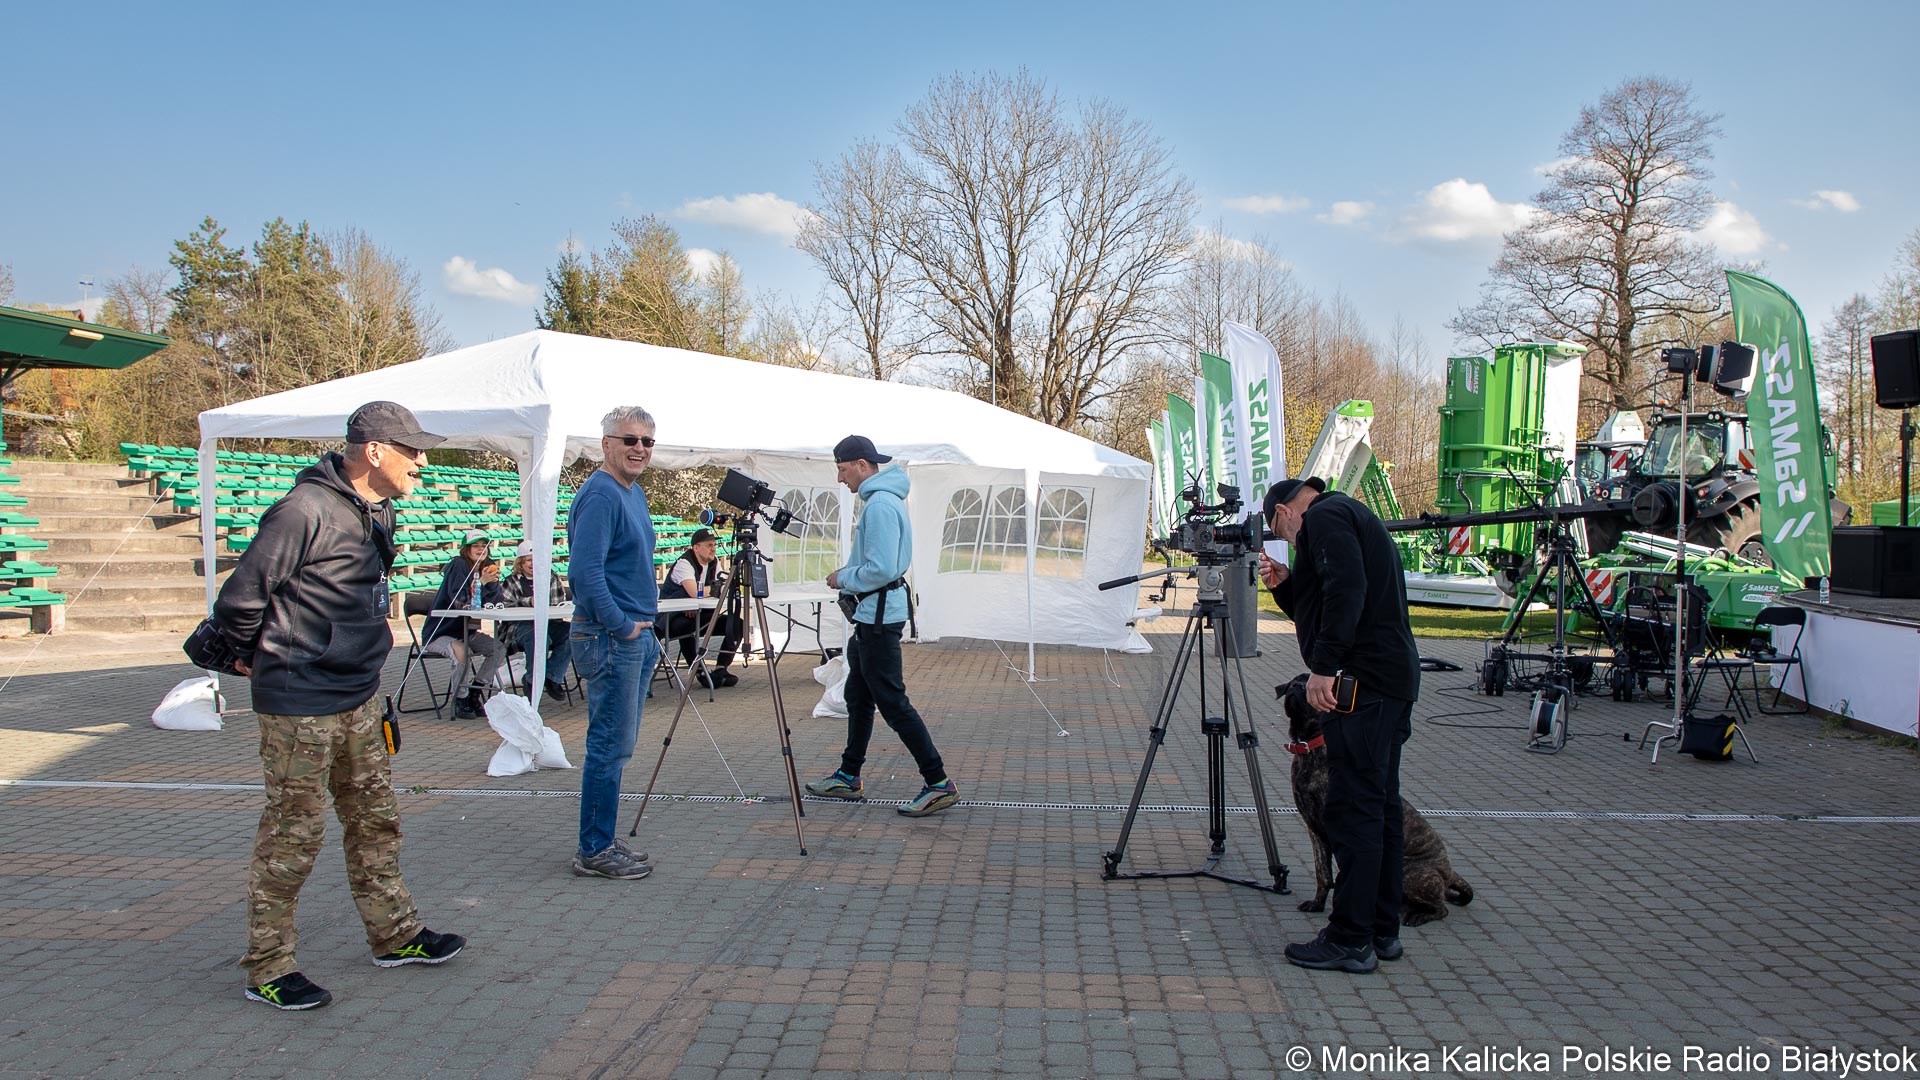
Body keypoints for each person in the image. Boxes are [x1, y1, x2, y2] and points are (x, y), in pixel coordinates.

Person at [212, 400, 466, 1011]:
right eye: (413, 451)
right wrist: (258, 657)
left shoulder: (375, 510)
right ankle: (268, 967)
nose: (423, 462)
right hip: (300, 703)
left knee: (375, 820)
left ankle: (395, 934)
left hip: (357, 696)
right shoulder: (302, 510)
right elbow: (239, 601)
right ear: (374, 451)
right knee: (293, 836)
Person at [1259, 475, 1422, 974]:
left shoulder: (1324, 518)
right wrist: (1289, 588)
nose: (1288, 542)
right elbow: (1331, 596)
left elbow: (1346, 589)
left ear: (1285, 513)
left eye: (1280, 533)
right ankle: (1380, 928)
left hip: (1365, 684)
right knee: (1380, 807)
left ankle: (1351, 937)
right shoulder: (1348, 514)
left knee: (1353, 810)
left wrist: (1323, 667)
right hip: (1389, 679)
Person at [804, 435, 959, 817]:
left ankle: (938, 782)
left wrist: (843, 578)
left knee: (891, 701)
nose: (840, 479)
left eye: (842, 470)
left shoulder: (880, 506)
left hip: (877, 617)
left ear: (861, 465)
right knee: (858, 696)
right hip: (871, 616)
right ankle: (848, 775)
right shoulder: (882, 500)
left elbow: (884, 568)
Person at [566, 405, 661, 880]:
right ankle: (594, 848)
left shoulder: (631, 493)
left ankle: (602, 835)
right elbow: (585, 574)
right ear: (606, 444)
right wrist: (622, 625)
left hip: (631, 636)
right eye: (629, 440)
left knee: (617, 745)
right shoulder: (602, 495)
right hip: (611, 637)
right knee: (608, 745)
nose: (639, 448)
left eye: (646, 441)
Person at [423, 529, 505, 718]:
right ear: (466, 549)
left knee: (498, 648)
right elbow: (460, 600)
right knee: (462, 651)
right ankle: (460, 698)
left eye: (484, 546)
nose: (480, 549)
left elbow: (495, 602)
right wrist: (481, 582)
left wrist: (492, 582)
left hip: (469, 631)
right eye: (475, 546)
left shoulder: (488, 566)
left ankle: (476, 690)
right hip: (441, 632)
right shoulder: (458, 565)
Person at [660, 527, 743, 688]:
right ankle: (699, 671)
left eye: (714, 545)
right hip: (672, 618)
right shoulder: (684, 563)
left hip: (699, 613)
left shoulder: (715, 562)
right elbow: (694, 592)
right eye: (709, 545)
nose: (713, 549)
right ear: (696, 547)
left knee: (737, 624)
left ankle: (721, 669)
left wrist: (706, 593)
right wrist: (711, 590)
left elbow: (723, 588)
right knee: (685, 628)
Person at [497, 539, 572, 701]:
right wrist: (528, 601)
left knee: (573, 631)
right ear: (521, 563)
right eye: (529, 560)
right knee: (537, 635)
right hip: (517, 629)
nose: (533, 564)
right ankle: (532, 680)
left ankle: (552, 676)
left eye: (536, 560)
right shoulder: (511, 581)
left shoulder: (551, 577)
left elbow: (556, 603)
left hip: (549, 625)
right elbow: (504, 605)